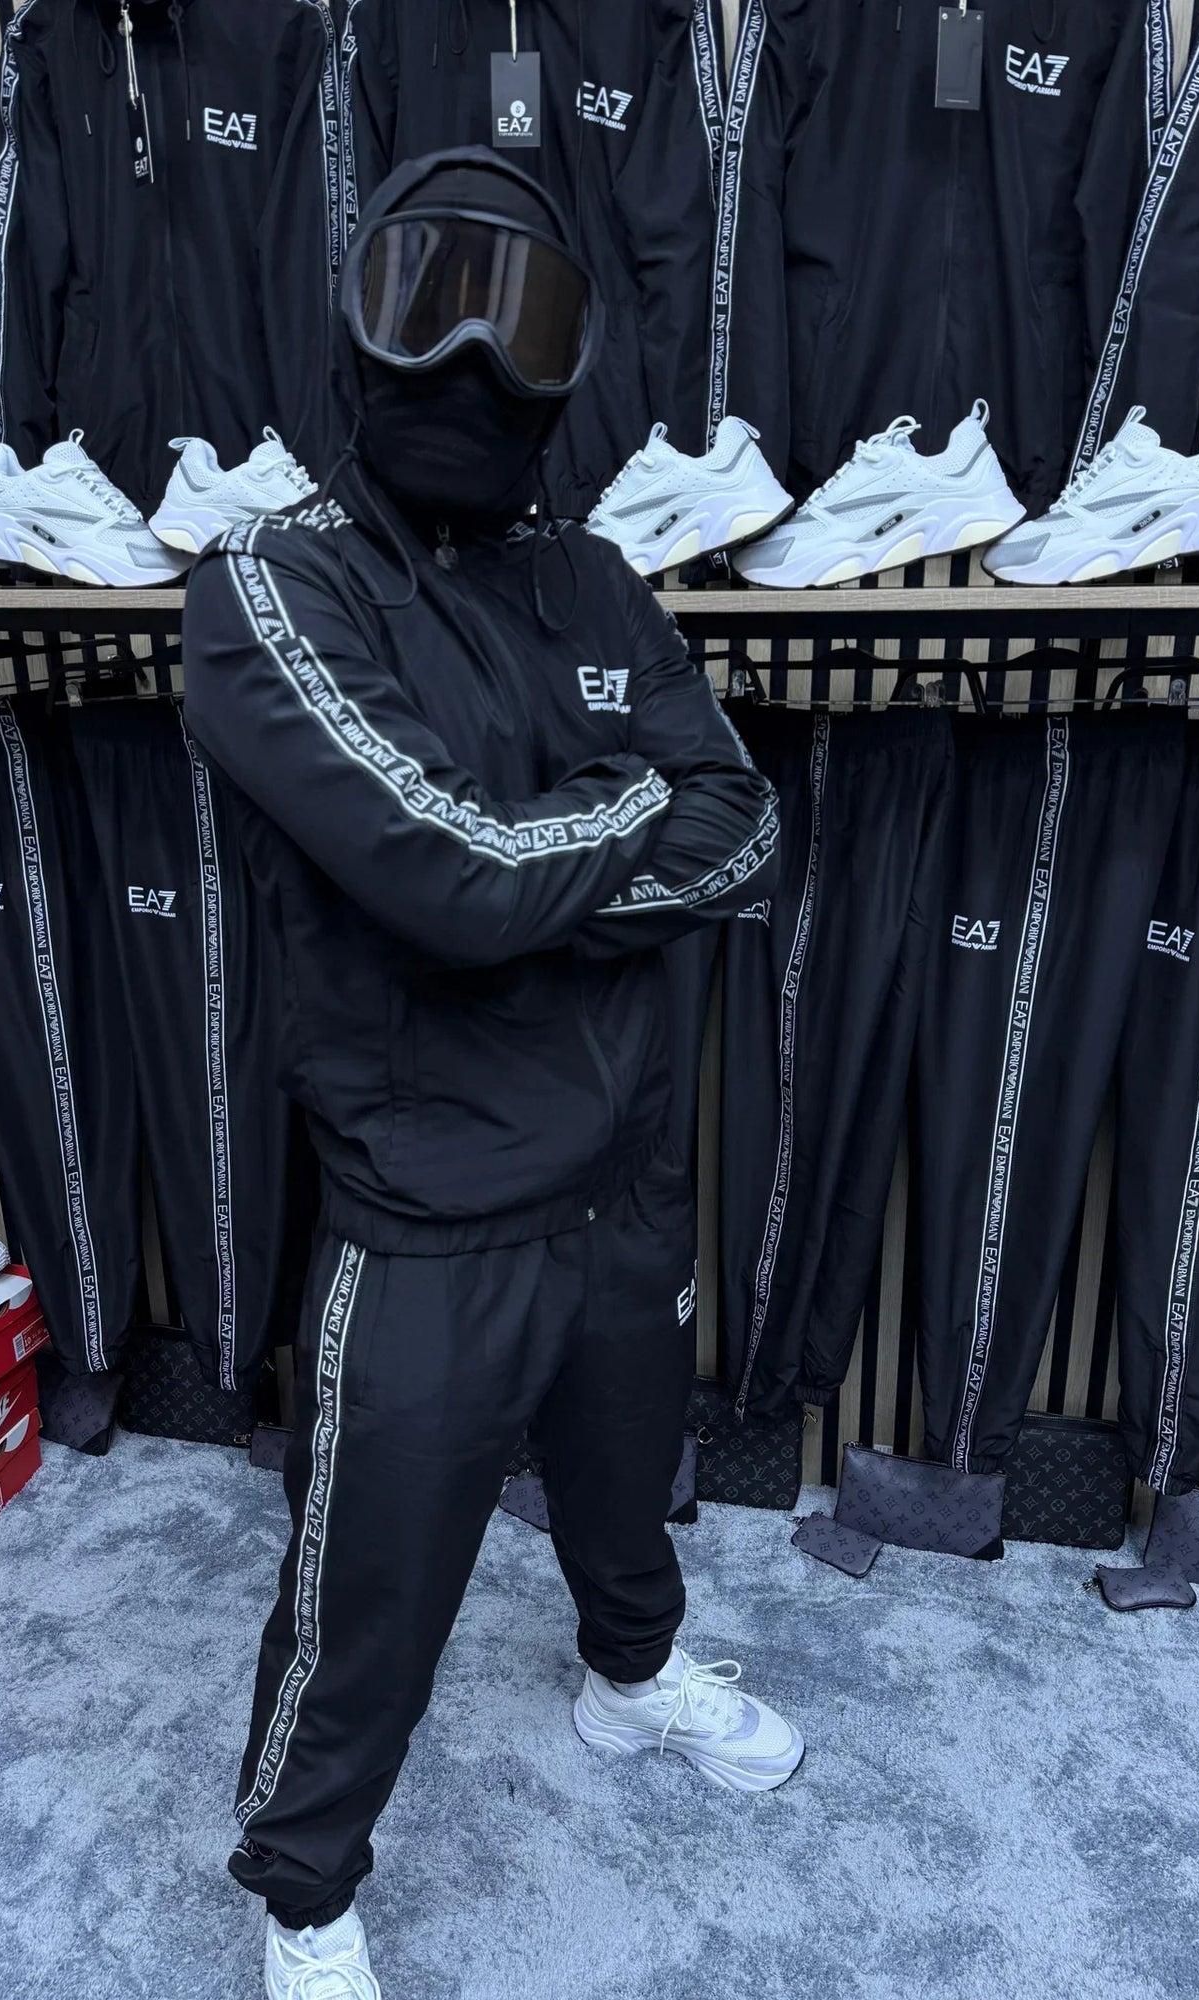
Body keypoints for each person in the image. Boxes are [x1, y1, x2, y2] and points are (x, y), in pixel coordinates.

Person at [182, 147, 798, 2000]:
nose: (467, 356)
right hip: (429, 1206)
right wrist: (616, 816)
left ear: (571, 363)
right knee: (365, 1591)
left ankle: (632, 1678)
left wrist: (537, 864)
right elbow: (447, 878)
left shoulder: (598, 581)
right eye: (426, 300)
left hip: (622, 1172)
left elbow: (748, 832)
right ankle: (304, 1892)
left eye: (516, 316)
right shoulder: (271, 586)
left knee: (629, 1492)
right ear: (356, 324)